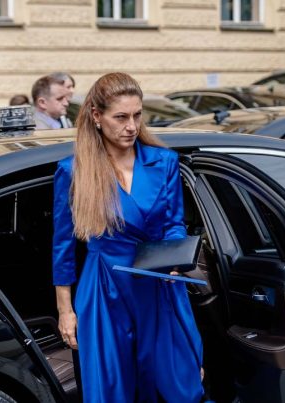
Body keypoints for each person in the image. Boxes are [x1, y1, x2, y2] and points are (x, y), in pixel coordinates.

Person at [52, 72, 203, 402]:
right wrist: (65, 310)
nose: (131, 126)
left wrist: (174, 259)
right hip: (104, 287)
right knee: (113, 386)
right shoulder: (74, 170)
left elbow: (173, 225)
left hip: (157, 282)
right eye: (121, 117)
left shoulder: (164, 162)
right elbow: (63, 246)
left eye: (137, 115)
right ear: (97, 116)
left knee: (176, 382)